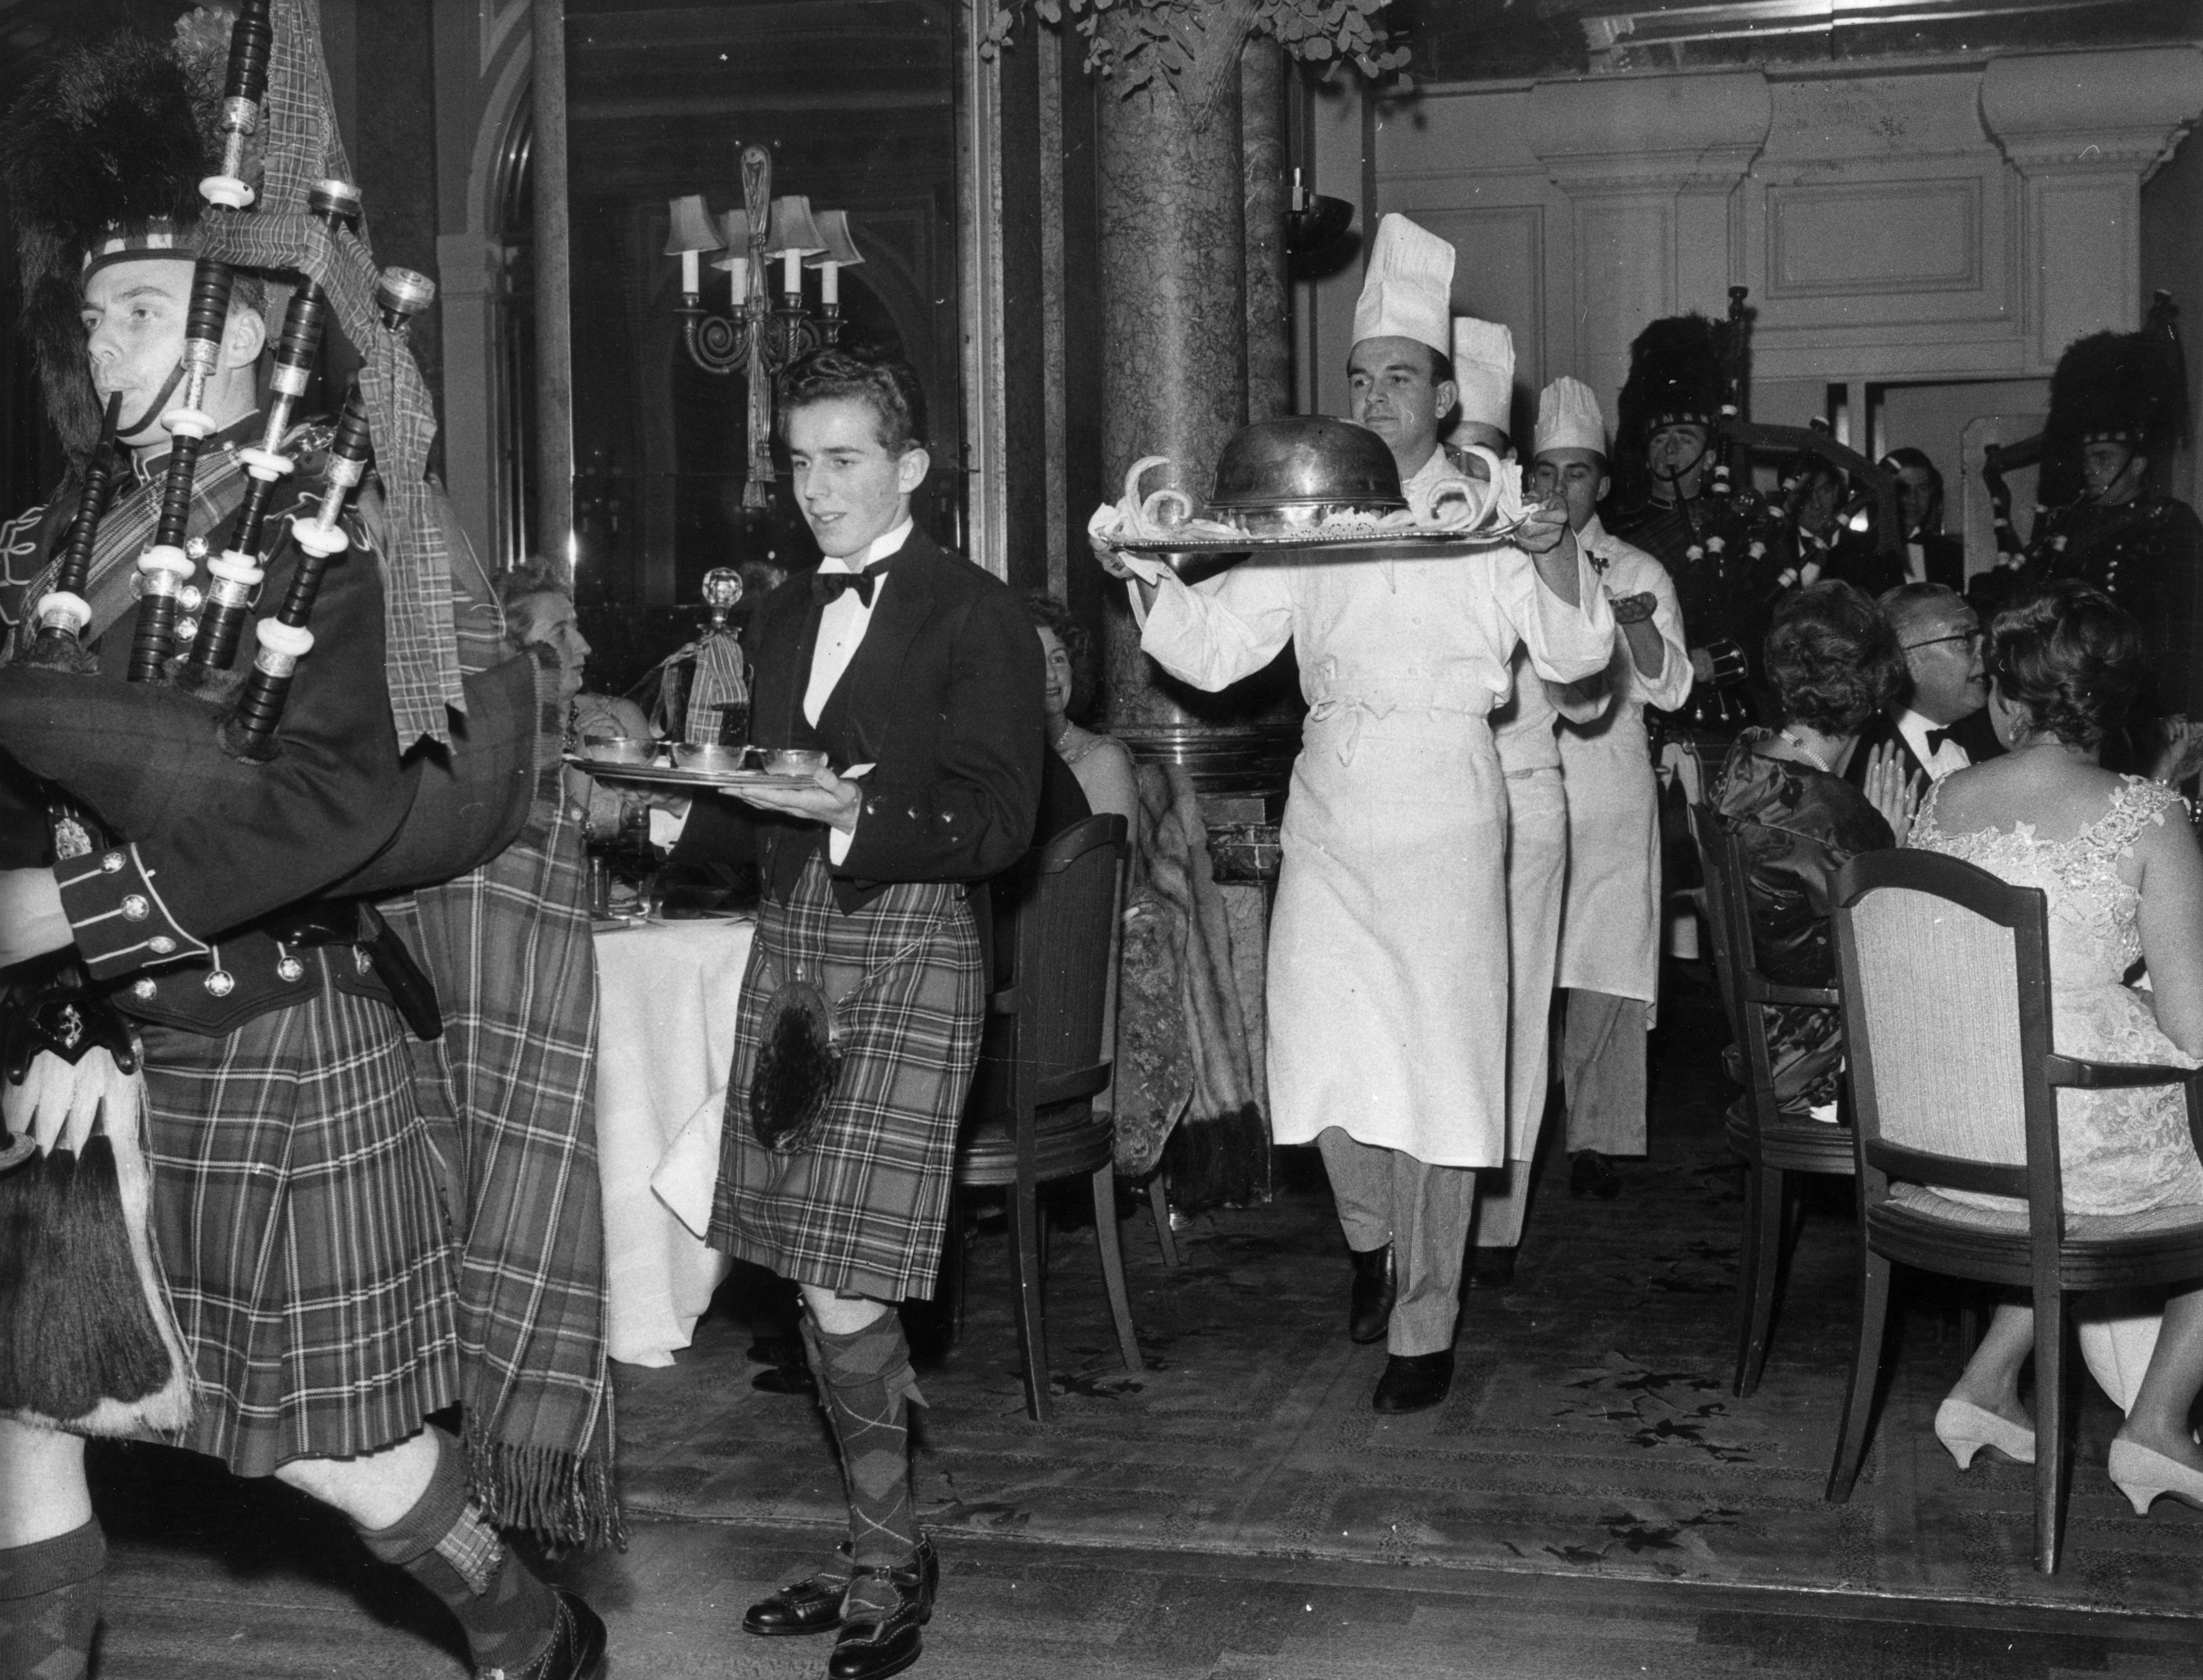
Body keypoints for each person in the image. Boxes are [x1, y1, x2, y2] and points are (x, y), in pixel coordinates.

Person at [0, 23, 610, 1680]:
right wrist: (73, 1016)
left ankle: (528, 1625)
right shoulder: (39, 550)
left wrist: (69, 917)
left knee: (330, 1450)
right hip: (93, 1047)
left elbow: (338, 803)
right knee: (29, 1407)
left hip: (280, 1029)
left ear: (246, 326)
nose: (101, 340)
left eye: (141, 309)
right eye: (94, 311)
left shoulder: (347, 546)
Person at [1097, 213, 1617, 1413]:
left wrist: (1545, 553)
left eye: (1398, 378)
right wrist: (1143, 567)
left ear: (1442, 395)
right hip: (1329, 794)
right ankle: (1372, 1238)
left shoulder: (1488, 510)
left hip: (1446, 802)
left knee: (1440, 1071)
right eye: (1359, 378)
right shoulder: (1315, 511)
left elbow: (1581, 653)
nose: (1375, 398)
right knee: (1322, 1055)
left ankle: (1427, 1316)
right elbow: (1222, 650)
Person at [663, 342, 1042, 1679]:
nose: (814, 491)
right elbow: (756, 797)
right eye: (797, 464)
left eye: (842, 463)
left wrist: (861, 813)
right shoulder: (774, 617)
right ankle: (884, 1539)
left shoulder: (974, 614)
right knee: (815, 1267)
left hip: (914, 936)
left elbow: (1003, 820)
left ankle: (888, 1551)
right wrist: (649, 796)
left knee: (842, 1274)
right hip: (801, 940)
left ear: (911, 469)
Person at [1907, 582, 2203, 1513]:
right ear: (2113, 707)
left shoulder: (1945, 796)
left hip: (1946, 1134)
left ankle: (1988, 1383)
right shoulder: (2149, 813)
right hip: (2056, 1131)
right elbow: (2195, 1029)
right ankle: (2156, 1423)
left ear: (2006, 699)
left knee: (2060, 1172)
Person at [1502, 378, 1693, 1223]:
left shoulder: (1639, 567)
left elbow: (1675, 687)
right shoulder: (1504, 563)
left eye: (1576, 474)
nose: (1558, 489)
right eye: (1544, 472)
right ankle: (1517, 1134)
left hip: (1610, 779)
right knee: (1524, 962)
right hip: (1525, 775)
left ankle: (1599, 1138)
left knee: (1606, 961)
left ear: (1602, 484)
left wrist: (1641, 623)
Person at [1446, 317, 1578, 1267]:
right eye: (1461, 454)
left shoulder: (1534, 543)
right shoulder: (1408, 530)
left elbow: (1580, 675)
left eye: (1488, 455)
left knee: (1515, 1012)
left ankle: (1494, 1218)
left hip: (1523, 799)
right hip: (1430, 805)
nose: (1471, 473)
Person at [1711, 582, 1915, 1121]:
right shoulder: (1835, 815)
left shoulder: (1748, 756)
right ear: (1877, 690)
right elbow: (1892, 943)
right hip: (1817, 1060)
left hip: (1765, 1036)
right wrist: (1890, 851)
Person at [2029, 330, 2203, 740]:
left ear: (2139, 463)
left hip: (2147, 706)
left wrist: (2179, 711)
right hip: (2075, 701)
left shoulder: (2171, 521)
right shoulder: (2066, 525)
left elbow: (2185, 630)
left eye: (2104, 459)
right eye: (2087, 459)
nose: (2090, 470)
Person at [1841, 583, 2002, 790]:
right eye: (1965, 639)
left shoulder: (1997, 733)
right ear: (1908, 662)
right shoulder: (1859, 765)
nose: (1985, 652)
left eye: (1982, 637)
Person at [1022, 592, 1136, 833]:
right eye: (1034, 660)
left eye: (1059, 659)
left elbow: (1113, 869)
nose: (1052, 675)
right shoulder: (999, 757)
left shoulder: (1103, 760)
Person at [1878, 447, 1966, 591]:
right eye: (1903, 490)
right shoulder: (1856, 554)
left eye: (1922, 489)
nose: (1913, 500)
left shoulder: (1952, 555)